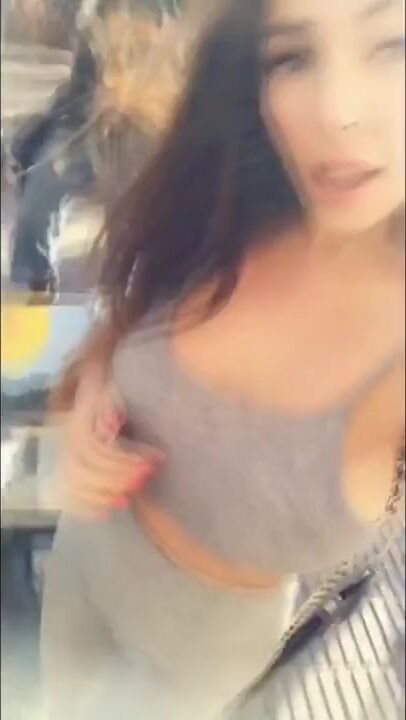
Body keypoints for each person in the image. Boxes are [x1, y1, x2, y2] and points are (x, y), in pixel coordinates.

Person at [42, 0, 405, 718]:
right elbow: (123, 325)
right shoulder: (233, 204)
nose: (338, 113)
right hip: (85, 555)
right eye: (292, 57)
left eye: (394, 46)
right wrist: (87, 398)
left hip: (197, 658)